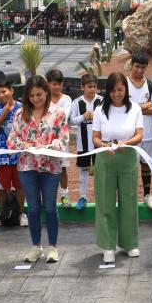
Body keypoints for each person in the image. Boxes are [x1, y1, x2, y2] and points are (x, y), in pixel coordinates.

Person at [8, 76, 69, 264]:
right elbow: (12, 139)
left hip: (51, 167)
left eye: (39, 94)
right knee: (33, 208)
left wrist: (48, 147)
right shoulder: (20, 114)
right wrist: (24, 144)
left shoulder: (58, 113)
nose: (36, 98)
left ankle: (53, 247)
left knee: (50, 207)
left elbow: (64, 139)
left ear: (46, 93)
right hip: (27, 167)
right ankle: (36, 246)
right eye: (32, 95)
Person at [92, 72, 144, 264]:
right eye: (113, 90)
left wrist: (125, 143)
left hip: (128, 156)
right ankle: (108, 245)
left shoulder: (135, 109)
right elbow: (95, 137)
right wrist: (104, 146)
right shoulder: (99, 110)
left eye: (120, 90)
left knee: (129, 200)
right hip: (106, 158)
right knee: (105, 202)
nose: (116, 94)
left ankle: (130, 243)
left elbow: (139, 134)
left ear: (126, 90)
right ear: (108, 91)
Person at [126, 54, 152, 211]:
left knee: (146, 165)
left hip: (148, 134)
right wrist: (145, 105)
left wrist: (136, 107)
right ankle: (130, 197)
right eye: (137, 66)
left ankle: (147, 194)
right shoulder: (124, 83)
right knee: (130, 166)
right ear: (131, 65)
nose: (139, 70)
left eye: (143, 67)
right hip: (129, 134)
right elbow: (123, 108)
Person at [0, 82, 26, 228]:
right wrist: (4, 114)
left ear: (11, 90)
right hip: (1, 153)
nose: (1, 95)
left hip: (19, 153)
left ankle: (21, 214)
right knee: (2, 187)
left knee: (19, 185)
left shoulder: (23, 108)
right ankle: (3, 214)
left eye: (4, 91)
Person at [69, 73, 102, 211]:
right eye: (89, 87)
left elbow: (107, 118)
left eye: (94, 86)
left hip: (99, 143)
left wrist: (97, 117)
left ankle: (101, 198)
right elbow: (71, 121)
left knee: (100, 171)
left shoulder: (102, 101)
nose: (92, 89)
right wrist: (84, 117)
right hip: (83, 144)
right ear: (82, 87)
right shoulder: (77, 102)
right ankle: (82, 196)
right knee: (83, 171)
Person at [44, 70, 74, 208]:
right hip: (45, 139)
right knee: (45, 168)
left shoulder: (67, 99)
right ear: (48, 84)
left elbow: (64, 116)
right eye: (54, 84)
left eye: (59, 84)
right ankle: (46, 197)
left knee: (62, 169)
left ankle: (64, 195)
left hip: (61, 140)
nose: (57, 87)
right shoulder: (43, 98)